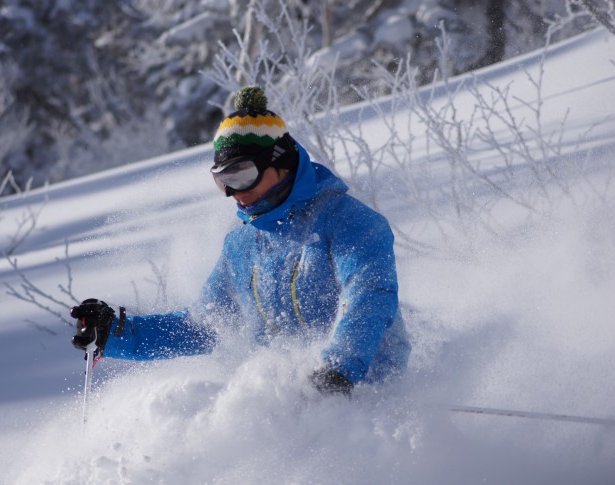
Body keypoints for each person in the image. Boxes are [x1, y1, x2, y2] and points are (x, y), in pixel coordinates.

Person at [71, 86, 410, 396]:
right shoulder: (240, 248)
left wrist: (338, 368)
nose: (235, 193)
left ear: (281, 161)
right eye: (223, 182)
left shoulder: (348, 221)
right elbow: (202, 326)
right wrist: (115, 333)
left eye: (242, 175)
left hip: (371, 394)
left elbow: (369, 295)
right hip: (296, 402)